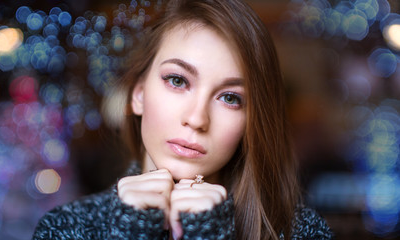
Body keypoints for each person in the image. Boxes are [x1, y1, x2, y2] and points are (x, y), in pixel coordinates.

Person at [33, 0, 333, 239]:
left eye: (230, 98)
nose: (196, 118)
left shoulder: (301, 232)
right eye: (177, 80)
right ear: (138, 93)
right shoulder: (66, 228)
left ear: (250, 120)